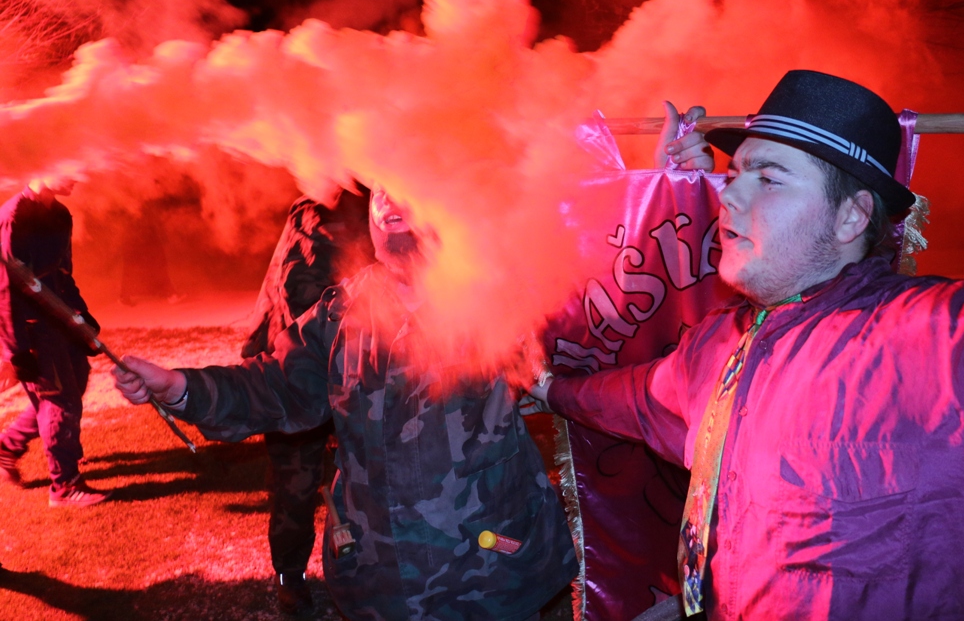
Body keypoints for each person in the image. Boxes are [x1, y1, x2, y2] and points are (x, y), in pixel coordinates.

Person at [532, 70, 964, 619]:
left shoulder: (946, 340)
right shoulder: (717, 348)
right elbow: (632, 400)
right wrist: (549, 388)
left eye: (769, 178)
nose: (730, 194)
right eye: (736, 172)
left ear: (851, 216)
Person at [113, 183, 578, 621]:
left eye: (404, 179)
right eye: (378, 186)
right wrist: (179, 387)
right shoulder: (341, 312)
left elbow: (579, 337)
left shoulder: (496, 295)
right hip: (384, 581)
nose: (387, 197)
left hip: (487, 572)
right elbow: (274, 385)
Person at [242, 186, 373, 617]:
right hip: (299, 369)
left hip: (344, 366)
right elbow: (303, 296)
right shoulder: (323, 209)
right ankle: (289, 580)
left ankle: (367, 568)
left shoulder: (371, 198)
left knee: (368, 477)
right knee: (296, 486)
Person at [0, 174, 111, 507]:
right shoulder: (13, 218)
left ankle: (6, 447)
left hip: (58, 319)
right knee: (59, 401)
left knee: (73, 386)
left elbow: (63, 274)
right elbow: (4, 289)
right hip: (30, 327)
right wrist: (15, 351)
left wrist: (81, 317)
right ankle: (64, 485)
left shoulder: (60, 215)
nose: (78, 175)